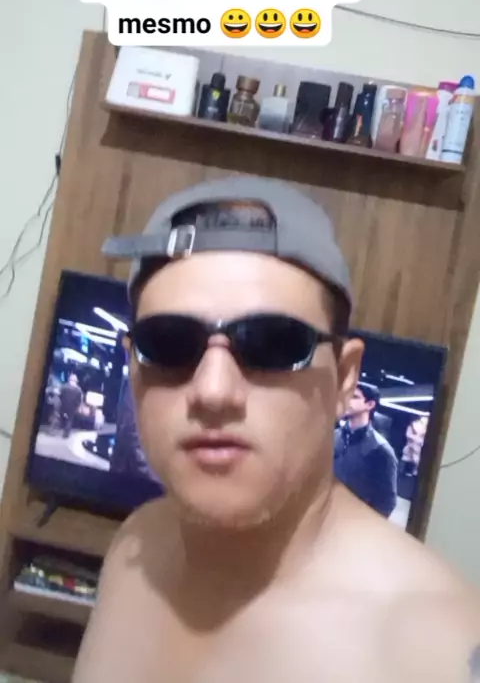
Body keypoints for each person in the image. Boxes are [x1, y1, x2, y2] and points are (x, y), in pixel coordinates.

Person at [73, 176, 479, 683]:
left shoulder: (437, 649)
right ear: (134, 369)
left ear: (345, 380)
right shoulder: (135, 550)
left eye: (273, 344)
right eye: (169, 343)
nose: (213, 391)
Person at [334, 382, 398, 517]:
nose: (347, 400)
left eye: (354, 397)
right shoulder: (333, 437)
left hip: (351, 522)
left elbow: (386, 502)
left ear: (370, 404)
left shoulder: (380, 450)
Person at [59, 373, 83, 439]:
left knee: (63, 417)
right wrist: (78, 406)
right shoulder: (78, 390)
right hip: (72, 407)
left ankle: (62, 428)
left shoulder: (64, 386)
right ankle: (66, 434)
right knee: (70, 420)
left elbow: (60, 395)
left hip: (63, 405)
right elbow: (79, 399)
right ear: (76, 381)